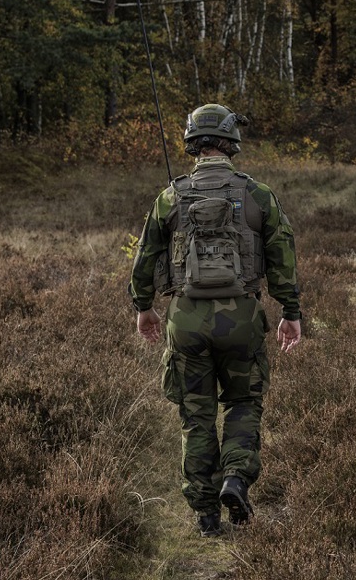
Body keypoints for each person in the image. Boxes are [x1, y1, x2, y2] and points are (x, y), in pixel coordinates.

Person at [129, 103, 302, 537]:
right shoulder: (257, 194)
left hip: (185, 318)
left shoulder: (170, 195)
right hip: (242, 316)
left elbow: (145, 258)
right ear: (231, 143)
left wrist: (143, 308)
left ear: (192, 143)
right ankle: (235, 478)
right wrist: (290, 313)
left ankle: (206, 514)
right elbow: (282, 257)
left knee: (196, 414)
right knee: (244, 403)